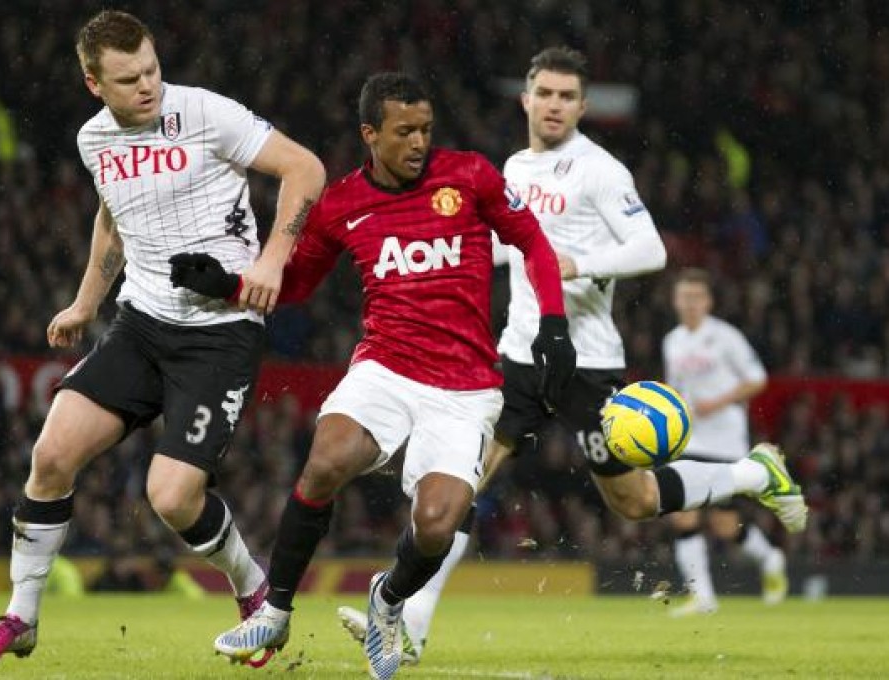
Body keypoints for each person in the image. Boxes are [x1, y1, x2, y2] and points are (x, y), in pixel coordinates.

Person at [336, 46, 807, 663]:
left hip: (586, 361)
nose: (555, 105)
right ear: (525, 99)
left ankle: (752, 473)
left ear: (583, 106)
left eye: (567, 96)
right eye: (545, 94)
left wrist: (579, 264)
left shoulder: (601, 171)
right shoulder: (513, 166)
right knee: (460, 483)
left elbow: (650, 250)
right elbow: (514, 247)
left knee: (633, 501)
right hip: (516, 357)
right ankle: (413, 622)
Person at [175, 72, 576, 679]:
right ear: (370, 134)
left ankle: (387, 603)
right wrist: (228, 287)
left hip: (465, 387)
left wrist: (553, 324)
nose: (419, 142)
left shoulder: (470, 176)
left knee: (438, 523)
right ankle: (275, 611)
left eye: (426, 130)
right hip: (385, 368)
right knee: (327, 458)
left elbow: (534, 244)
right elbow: (299, 284)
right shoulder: (340, 204)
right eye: (404, 131)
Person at [0, 10, 326, 668]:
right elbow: (112, 216)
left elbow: (305, 168)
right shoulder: (93, 141)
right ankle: (21, 616)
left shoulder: (207, 114)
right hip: (142, 323)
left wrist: (271, 261)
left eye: (153, 70)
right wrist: (84, 302)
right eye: (129, 80)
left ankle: (252, 589)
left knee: (171, 497)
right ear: (94, 83)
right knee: (50, 457)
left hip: (220, 333)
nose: (149, 87)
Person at [663, 268, 788, 616]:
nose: (689, 303)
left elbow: (757, 379)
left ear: (708, 302)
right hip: (687, 442)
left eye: (696, 297)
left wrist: (717, 402)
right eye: (684, 297)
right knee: (682, 516)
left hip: (724, 443)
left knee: (725, 525)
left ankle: (769, 556)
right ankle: (702, 597)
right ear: (675, 300)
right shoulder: (672, 341)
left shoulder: (725, 336)